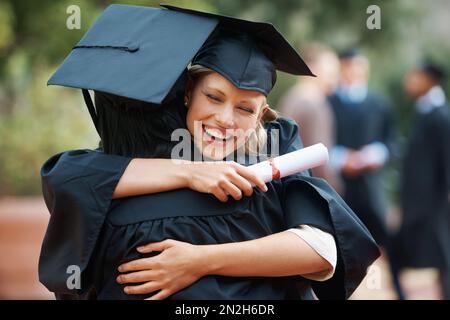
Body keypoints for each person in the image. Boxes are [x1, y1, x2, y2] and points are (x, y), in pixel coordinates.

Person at [39, 4, 379, 300]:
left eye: (245, 109)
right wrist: (193, 172)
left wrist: (198, 261)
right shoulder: (145, 153)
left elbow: (321, 250)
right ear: (188, 92)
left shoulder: (276, 151)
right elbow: (69, 178)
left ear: (262, 114)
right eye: (213, 98)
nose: (224, 120)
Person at [328, 48, 395, 246]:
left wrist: (376, 154)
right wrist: (340, 158)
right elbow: (319, 140)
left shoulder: (379, 103)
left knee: (383, 237)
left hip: (372, 185)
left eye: (359, 67)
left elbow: (391, 140)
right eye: (349, 67)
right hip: (339, 185)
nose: (354, 72)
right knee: (342, 238)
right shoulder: (328, 103)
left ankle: (392, 277)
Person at [396, 62, 450, 299]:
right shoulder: (423, 112)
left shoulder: (441, 116)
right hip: (417, 203)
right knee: (400, 254)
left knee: (444, 257)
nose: (409, 81)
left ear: (429, 80)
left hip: (433, 205)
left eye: (415, 76)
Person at [278, 43, 342, 192]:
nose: (335, 78)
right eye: (331, 72)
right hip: (311, 188)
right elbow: (319, 156)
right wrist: (335, 190)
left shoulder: (291, 97)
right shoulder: (313, 103)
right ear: (312, 67)